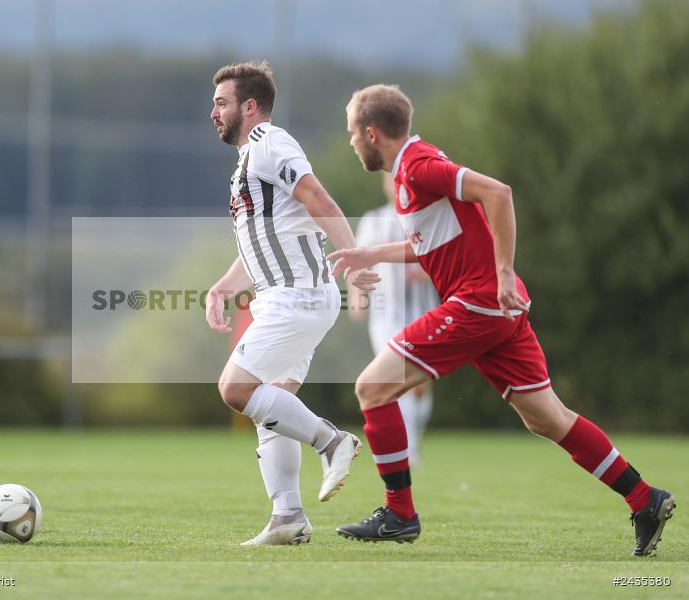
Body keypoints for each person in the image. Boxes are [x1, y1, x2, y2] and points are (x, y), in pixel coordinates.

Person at [328, 84, 674, 556]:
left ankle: (400, 514)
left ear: (372, 133)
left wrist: (504, 272)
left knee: (372, 388)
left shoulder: (419, 166)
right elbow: (435, 243)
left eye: (351, 134)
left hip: (479, 303)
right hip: (496, 309)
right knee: (548, 419)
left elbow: (499, 193)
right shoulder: (412, 171)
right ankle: (645, 498)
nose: (350, 142)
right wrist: (374, 253)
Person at [205, 61, 378, 545]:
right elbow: (262, 242)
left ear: (250, 106)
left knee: (236, 390)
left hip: (296, 296)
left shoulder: (269, 144)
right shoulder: (246, 163)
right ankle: (288, 518)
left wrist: (354, 254)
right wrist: (223, 287)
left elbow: (318, 196)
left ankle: (332, 440)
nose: (213, 112)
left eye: (222, 103)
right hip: (285, 297)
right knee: (272, 402)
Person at [347, 172, 439, 467]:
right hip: (385, 316)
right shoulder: (374, 220)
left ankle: (413, 439)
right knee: (394, 379)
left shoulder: (426, 220)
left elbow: (444, 260)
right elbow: (357, 263)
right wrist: (358, 299)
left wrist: (424, 272)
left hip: (423, 313)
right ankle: (409, 450)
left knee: (420, 386)